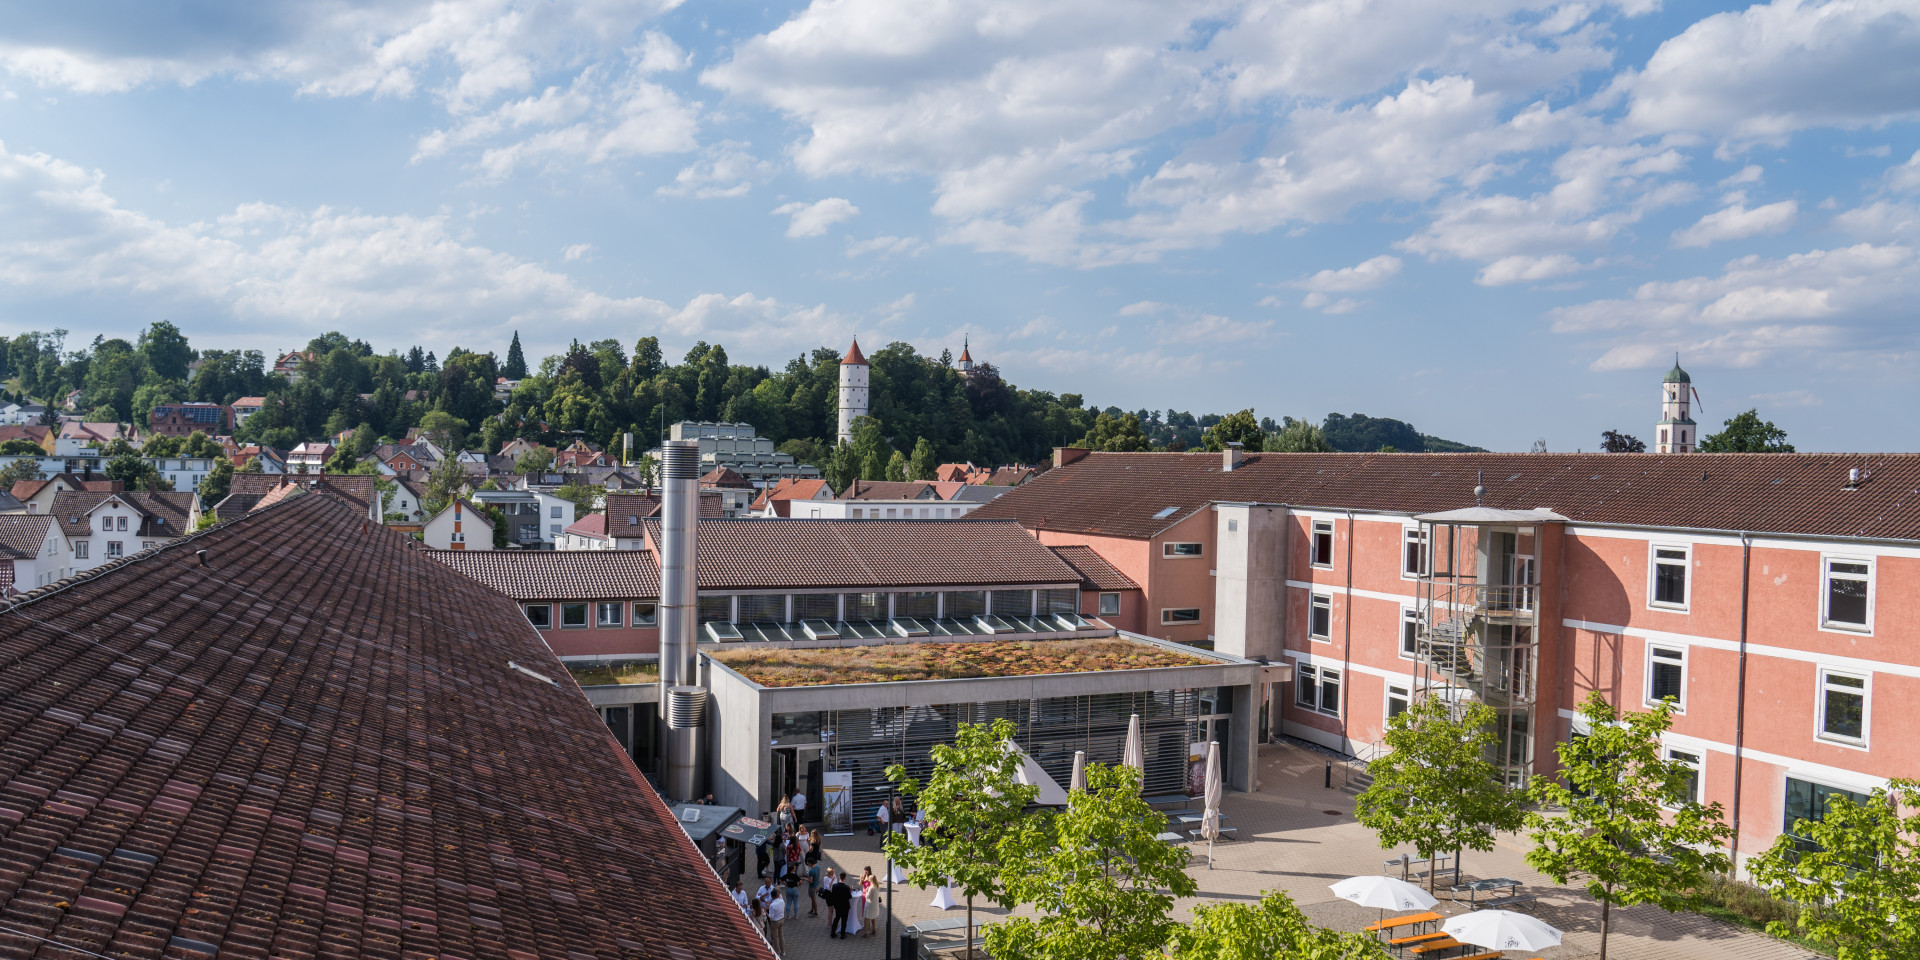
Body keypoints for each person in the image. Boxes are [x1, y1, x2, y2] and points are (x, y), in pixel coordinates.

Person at [823, 869, 853, 939]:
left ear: (839, 877)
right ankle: (842, 935)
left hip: (837, 905)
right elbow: (849, 897)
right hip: (845, 906)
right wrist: (850, 891)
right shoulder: (847, 887)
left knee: (836, 918)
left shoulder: (834, 886)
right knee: (844, 920)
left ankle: (833, 933)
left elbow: (833, 895)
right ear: (845, 878)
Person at [859, 866, 880, 937]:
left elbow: (867, 896)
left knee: (867, 917)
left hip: (869, 902)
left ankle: (866, 932)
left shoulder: (871, 888)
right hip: (874, 903)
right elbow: (861, 884)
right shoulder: (876, 886)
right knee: (873, 916)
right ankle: (873, 930)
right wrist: (861, 879)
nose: (865, 872)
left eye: (866, 871)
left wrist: (867, 891)